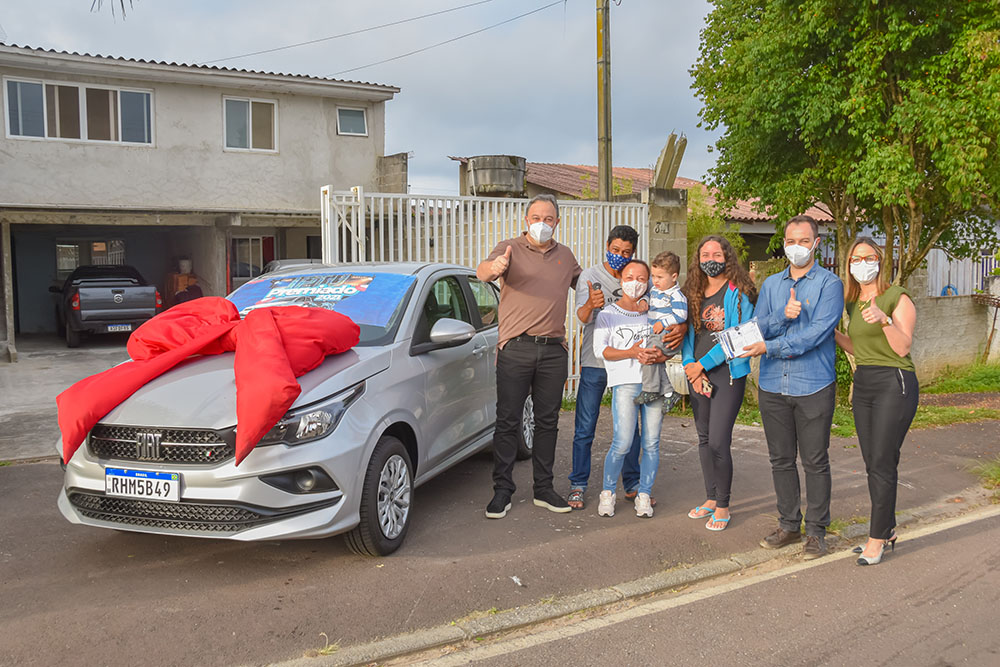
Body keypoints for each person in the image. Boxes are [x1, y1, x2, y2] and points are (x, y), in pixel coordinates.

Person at [741, 215, 844, 559]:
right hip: (773, 385)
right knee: (781, 459)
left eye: (803, 241)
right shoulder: (772, 285)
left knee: (815, 460)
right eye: (790, 241)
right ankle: (788, 524)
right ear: (783, 243)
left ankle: (816, 531)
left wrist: (770, 347)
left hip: (813, 384)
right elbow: (757, 327)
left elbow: (816, 334)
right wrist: (781, 316)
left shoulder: (830, 285)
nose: (796, 247)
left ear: (816, 243)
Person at [477, 194, 582, 519]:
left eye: (548, 219)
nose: (542, 224)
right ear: (526, 220)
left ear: (557, 222)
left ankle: (544, 489)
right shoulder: (509, 248)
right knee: (508, 421)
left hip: (553, 350)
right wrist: (495, 268)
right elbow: (483, 272)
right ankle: (502, 490)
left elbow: (585, 285)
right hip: (516, 349)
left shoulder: (565, 255)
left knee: (547, 422)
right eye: (536, 218)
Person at [567, 227, 684, 510]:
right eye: (615, 250)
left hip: (636, 370)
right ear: (607, 246)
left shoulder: (644, 279)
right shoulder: (590, 276)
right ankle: (578, 485)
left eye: (626, 252)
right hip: (597, 362)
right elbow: (582, 318)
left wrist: (679, 326)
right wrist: (590, 304)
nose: (620, 256)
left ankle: (633, 485)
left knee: (633, 432)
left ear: (634, 253)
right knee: (585, 426)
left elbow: (667, 308)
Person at [834, 237, 918, 566]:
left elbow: (902, 347)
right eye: (855, 259)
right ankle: (887, 529)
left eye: (868, 257)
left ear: (880, 261)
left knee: (882, 460)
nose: (862, 264)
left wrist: (885, 320)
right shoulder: (853, 302)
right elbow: (860, 348)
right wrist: (832, 335)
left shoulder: (896, 297)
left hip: (894, 382)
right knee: (873, 462)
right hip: (865, 382)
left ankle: (877, 537)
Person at [681, 236, 757, 531]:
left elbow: (738, 338)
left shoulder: (740, 293)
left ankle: (723, 505)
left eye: (716, 254)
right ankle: (711, 498)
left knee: (718, 440)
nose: (710, 259)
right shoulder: (692, 291)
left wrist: (702, 365)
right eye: (705, 254)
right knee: (703, 438)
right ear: (698, 259)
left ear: (727, 257)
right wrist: (691, 366)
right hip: (697, 373)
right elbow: (688, 335)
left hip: (727, 374)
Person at [593, 260, 665, 518]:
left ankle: (644, 494)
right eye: (630, 277)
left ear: (649, 283)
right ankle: (608, 492)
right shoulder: (607, 314)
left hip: (653, 382)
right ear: (621, 280)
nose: (635, 283)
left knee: (651, 443)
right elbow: (600, 350)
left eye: (642, 278)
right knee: (622, 442)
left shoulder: (655, 312)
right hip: (625, 382)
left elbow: (670, 341)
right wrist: (631, 352)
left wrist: (658, 355)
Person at [636, 251, 687, 410]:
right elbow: (649, 296)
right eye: (653, 276)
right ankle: (670, 393)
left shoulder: (676, 295)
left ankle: (650, 389)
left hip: (665, 334)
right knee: (656, 362)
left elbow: (681, 315)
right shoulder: (656, 290)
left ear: (674, 276)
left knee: (648, 355)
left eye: (660, 277)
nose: (655, 280)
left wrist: (663, 323)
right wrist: (644, 301)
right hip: (656, 333)